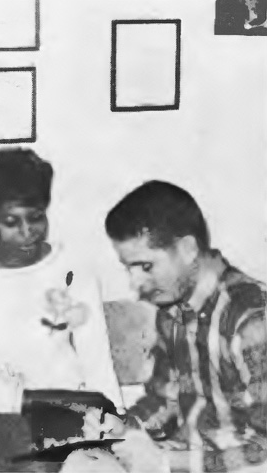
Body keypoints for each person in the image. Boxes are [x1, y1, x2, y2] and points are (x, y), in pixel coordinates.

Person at [0, 147, 124, 471]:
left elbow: (97, 361)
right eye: (11, 222)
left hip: (73, 415)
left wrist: (116, 427)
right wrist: (41, 404)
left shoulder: (72, 270)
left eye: (36, 217)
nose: (27, 233)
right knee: (37, 465)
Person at [92, 180, 267, 473]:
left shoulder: (251, 321)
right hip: (187, 453)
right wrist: (120, 428)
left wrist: (167, 462)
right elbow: (166, 398)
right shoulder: (171, 313)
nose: (135, 285)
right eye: (129, 268)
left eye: (146, 267)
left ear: (187, 249)